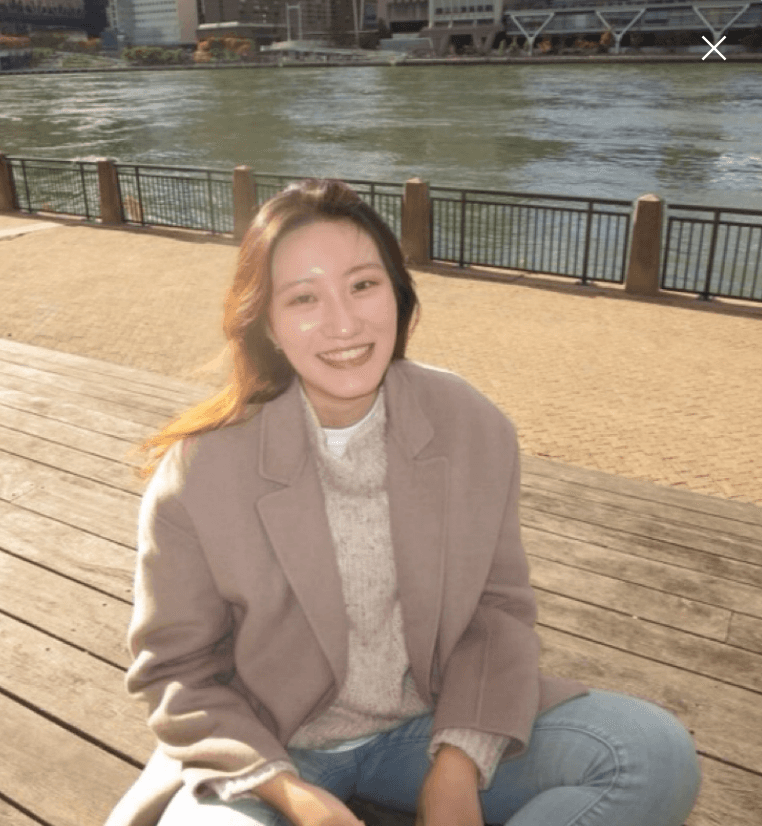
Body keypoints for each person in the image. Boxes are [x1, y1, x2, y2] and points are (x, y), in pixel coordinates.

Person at [105, 179, 701, 826]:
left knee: (653, 754)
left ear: (399, 295)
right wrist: (292, 795)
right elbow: (178, 670)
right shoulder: (201, 471)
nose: (344, 323)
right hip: (270, 741)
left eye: (363, 285)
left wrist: (459, 763)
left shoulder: (471, 426)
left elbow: (497, 609)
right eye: (303, 297)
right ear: (267, 324)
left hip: (429, 719)